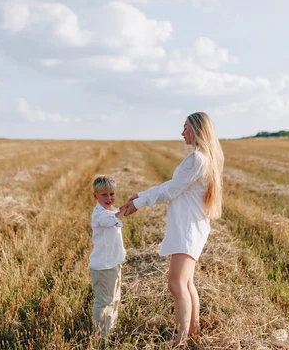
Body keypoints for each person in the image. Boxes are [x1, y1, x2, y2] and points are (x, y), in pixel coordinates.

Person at [122, 112, 224, 345]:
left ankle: (180, 341)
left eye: (186, 128)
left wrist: (138, 204)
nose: (182, 133)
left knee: (176, 284)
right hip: (190, 226)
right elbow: (173, 186)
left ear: (198, 130)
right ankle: (192, 333)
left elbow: (171, 190)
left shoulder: (197, 159)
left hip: (188, 229)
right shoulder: (202, 158)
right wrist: (143, 195)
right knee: (186, 283)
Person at [89, 175, 128, 337]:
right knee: (104, 302)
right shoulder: (100, 215)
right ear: (95, 196)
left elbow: (116, 213)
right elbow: (109, 220)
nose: (109, 198)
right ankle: (100, 335)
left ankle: (110, 328)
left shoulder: (111, 211)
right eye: (104, 194)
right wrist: (124, 211)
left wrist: (130, 206)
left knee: (115, 298)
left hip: (114, 264)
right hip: (103, 267)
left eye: (112, 194)